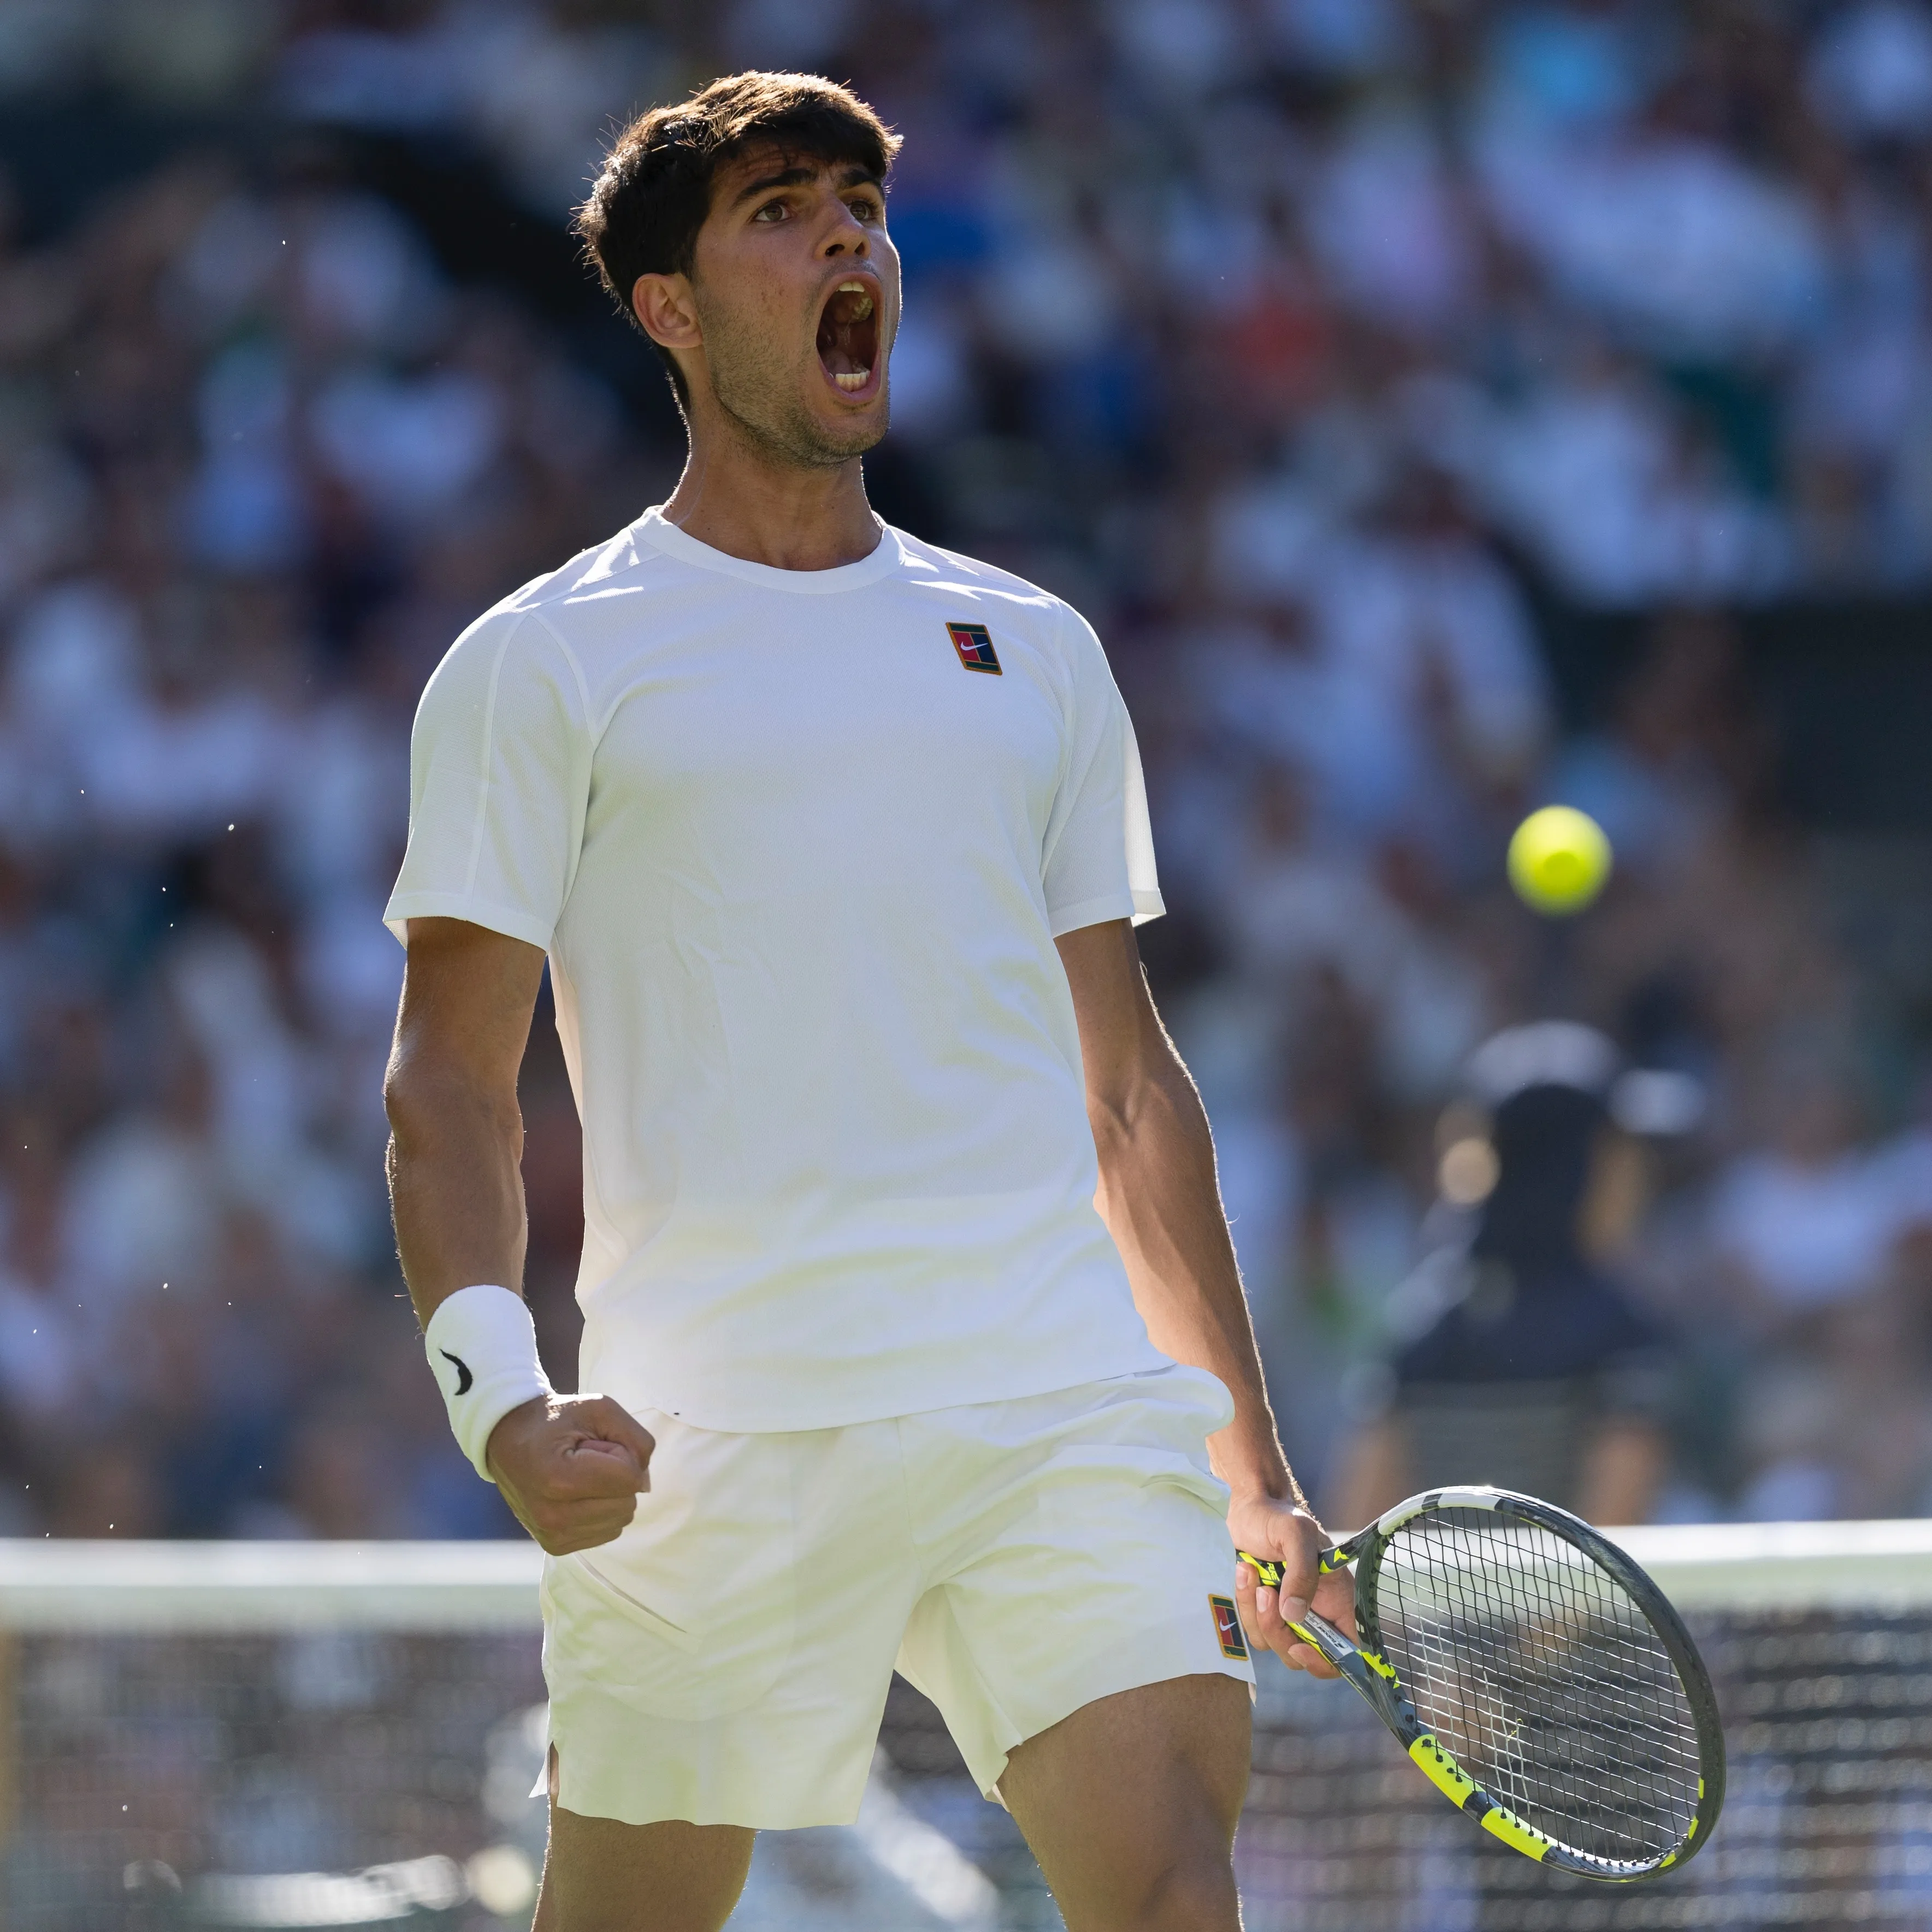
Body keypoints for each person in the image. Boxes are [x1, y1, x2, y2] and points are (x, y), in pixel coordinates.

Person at [379, 72, 1351, 1932]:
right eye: (777, 209)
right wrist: (498, 1400)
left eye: (857, 203)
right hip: (708, 1428)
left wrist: (1253, 1468)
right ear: (666, 307)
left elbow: (1129, 1094)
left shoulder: (1036, 651)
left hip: (1052, 1398)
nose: (847, 237)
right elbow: (447, 1088)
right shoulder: (537, 663)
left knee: (1167, 1889)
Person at [1332, 1023, 1682, 1529]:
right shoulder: (1625, 1336)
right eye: (1620, 1153)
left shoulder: (1417, 1323)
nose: (1638, 1178)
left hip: (1429, 1612)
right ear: (1574, 1166)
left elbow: (1354, 1528)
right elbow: (1607, 1560)